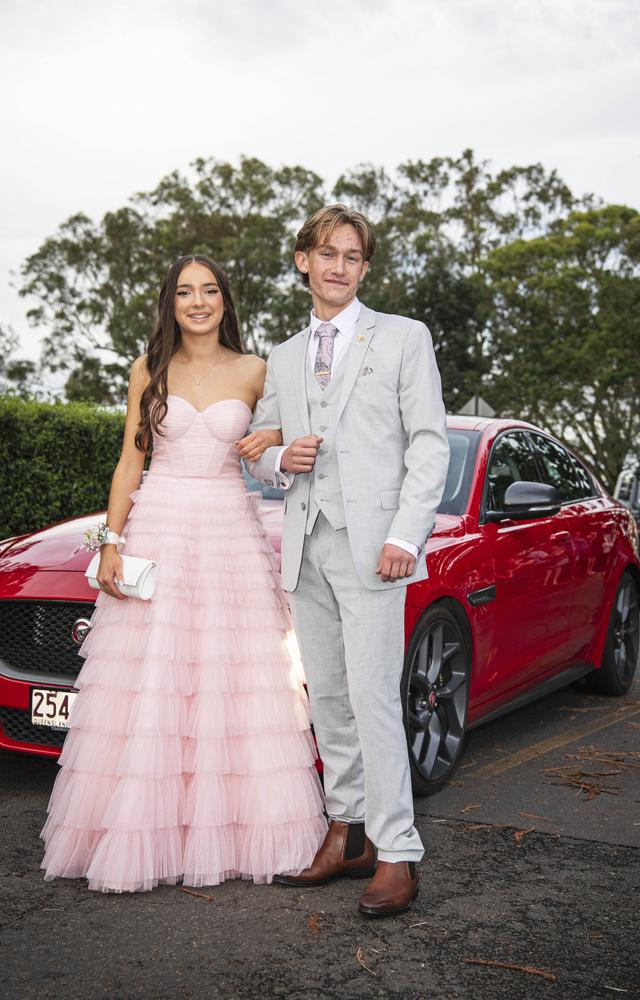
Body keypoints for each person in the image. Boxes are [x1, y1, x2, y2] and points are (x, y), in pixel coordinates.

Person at [41, 254, 327, 893]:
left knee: (232, 681)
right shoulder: (149, 369)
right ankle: (142, 835)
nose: (199, 302)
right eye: (185, 293)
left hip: (228, 531)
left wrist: (268, 449)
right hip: (160, 527)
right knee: (152, 683)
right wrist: (111, 542)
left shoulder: (258, 370)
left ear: (226, 300)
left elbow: (269, 454)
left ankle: (231, 834)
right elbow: (128, 464)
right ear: (170, 304)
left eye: (210, 290)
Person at [244, 205, 449, 916]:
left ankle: (397, 852)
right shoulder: (284, 353)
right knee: (327, 698)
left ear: (364, 267)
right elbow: (262, 447)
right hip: (306, 542)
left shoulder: (403, 337)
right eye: (326, 253)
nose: (338, 266)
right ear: (303, 260)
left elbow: (428, 441)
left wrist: (405, 534)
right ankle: (346, 833)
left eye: (352, 256)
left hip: (375, 550)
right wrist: (278, 458)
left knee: (372, 700)